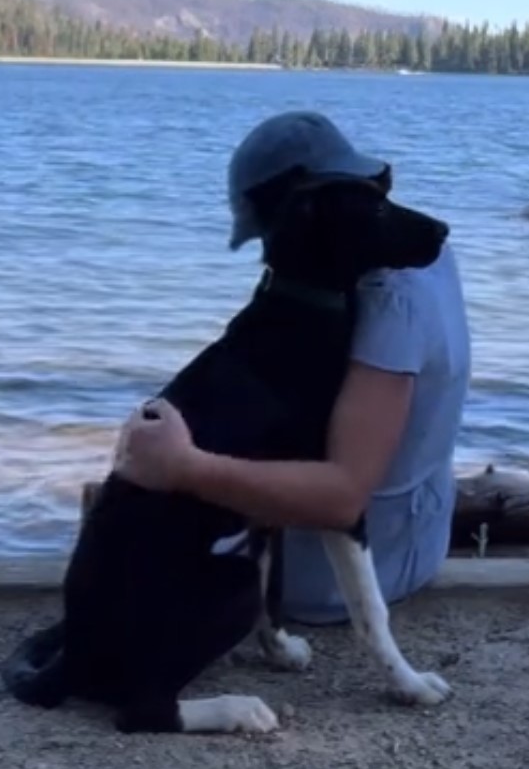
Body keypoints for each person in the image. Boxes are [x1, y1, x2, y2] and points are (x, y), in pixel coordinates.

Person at [114, 110, 472, 625]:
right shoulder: (425, 253)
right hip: (421, 521)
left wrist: (184, 467)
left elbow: (342, 499)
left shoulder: (383, 299)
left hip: (347, 574)